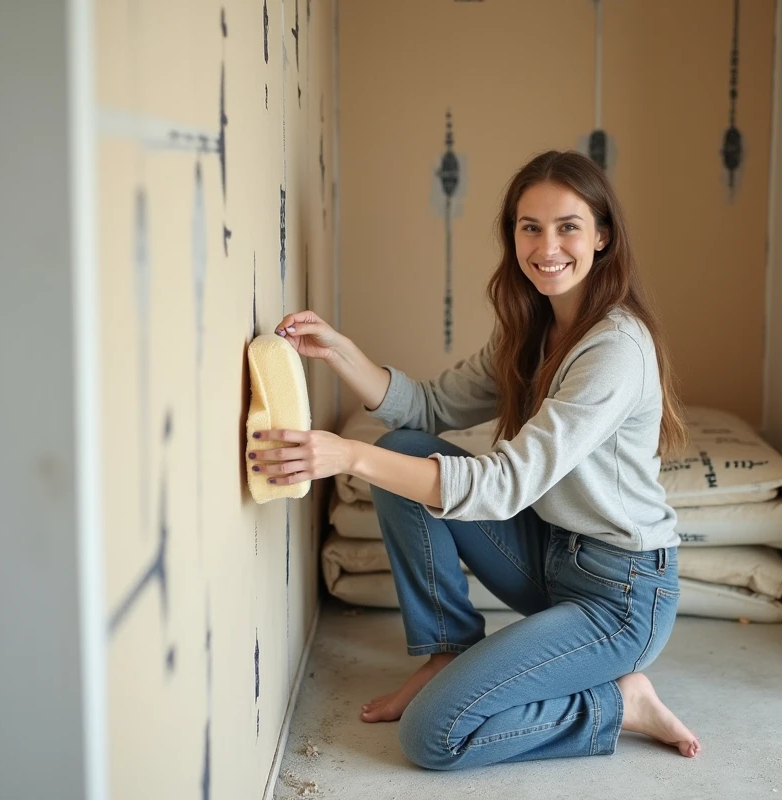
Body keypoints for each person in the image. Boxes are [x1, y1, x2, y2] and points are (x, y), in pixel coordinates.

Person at [249, 150, 700, 770]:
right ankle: (447, 649)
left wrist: (346, 456)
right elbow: (429, 409)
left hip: (622, 595)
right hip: (550, 556)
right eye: (529, 226)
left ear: (602, 236)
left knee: (432, 735)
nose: (548, 246)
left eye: (569, 226)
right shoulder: (531, 326)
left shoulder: (615, 349)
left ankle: (622, 703)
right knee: (401, 453)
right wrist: (340, 352)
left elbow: (506, 483)